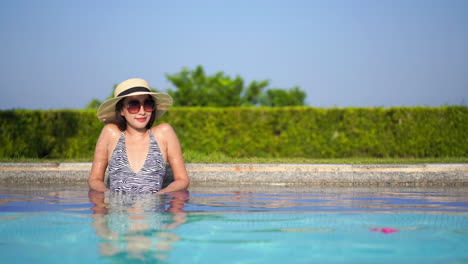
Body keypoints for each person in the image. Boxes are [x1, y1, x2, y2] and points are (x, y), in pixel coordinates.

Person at [88, 78, 189, 194]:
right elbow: (95, 180)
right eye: (133, 105)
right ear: (121, 110)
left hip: (153, 210)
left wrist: (158, 196)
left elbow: (182, 180)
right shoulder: (111, 133)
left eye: (148, 104)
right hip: (117, 210)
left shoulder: (163, 133)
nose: (142, 111)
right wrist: (108, 195)